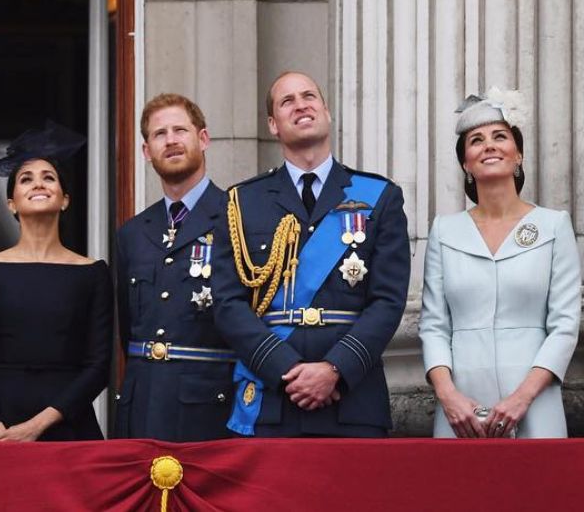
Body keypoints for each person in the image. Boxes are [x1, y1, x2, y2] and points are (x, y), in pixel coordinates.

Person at [211, 71, 409, 437]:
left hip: (352, 398)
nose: (301, 105)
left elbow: (388, 301)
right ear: (273, 124)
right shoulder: (242, 202)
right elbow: (227, 303)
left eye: (309, 96)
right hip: (273, 398)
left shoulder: (379, 195)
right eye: (287, 101)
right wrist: (285, 368)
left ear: (327, 112)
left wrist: (335, 369)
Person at [420, 89, 581, 438]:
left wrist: (522, 398)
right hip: (460, 407)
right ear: (466, 162)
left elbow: (565, 324)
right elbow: (433, 325)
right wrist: (448, 396)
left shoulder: (553, 225)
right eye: (476, 140)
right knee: (459, 492)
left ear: (518, 154)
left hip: (534, 400)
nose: (489, 145)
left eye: (500, 136)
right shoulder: (444, 231)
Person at [0, 122, 113, 441]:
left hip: (68, 426)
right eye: (25, 179)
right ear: (12, 203)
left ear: (65, 199)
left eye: (49, 177)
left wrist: (36, 427)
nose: (38, 184)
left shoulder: (93, 272)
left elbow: (98, 366)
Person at [114, 94, 235, 441]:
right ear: (146, 151)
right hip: (143, 405)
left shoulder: (237, 218)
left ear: (203, 138)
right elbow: (129, 327)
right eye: (159, 134)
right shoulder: (133, 232)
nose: (171, 140)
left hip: (210, 408)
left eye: (180, 130)